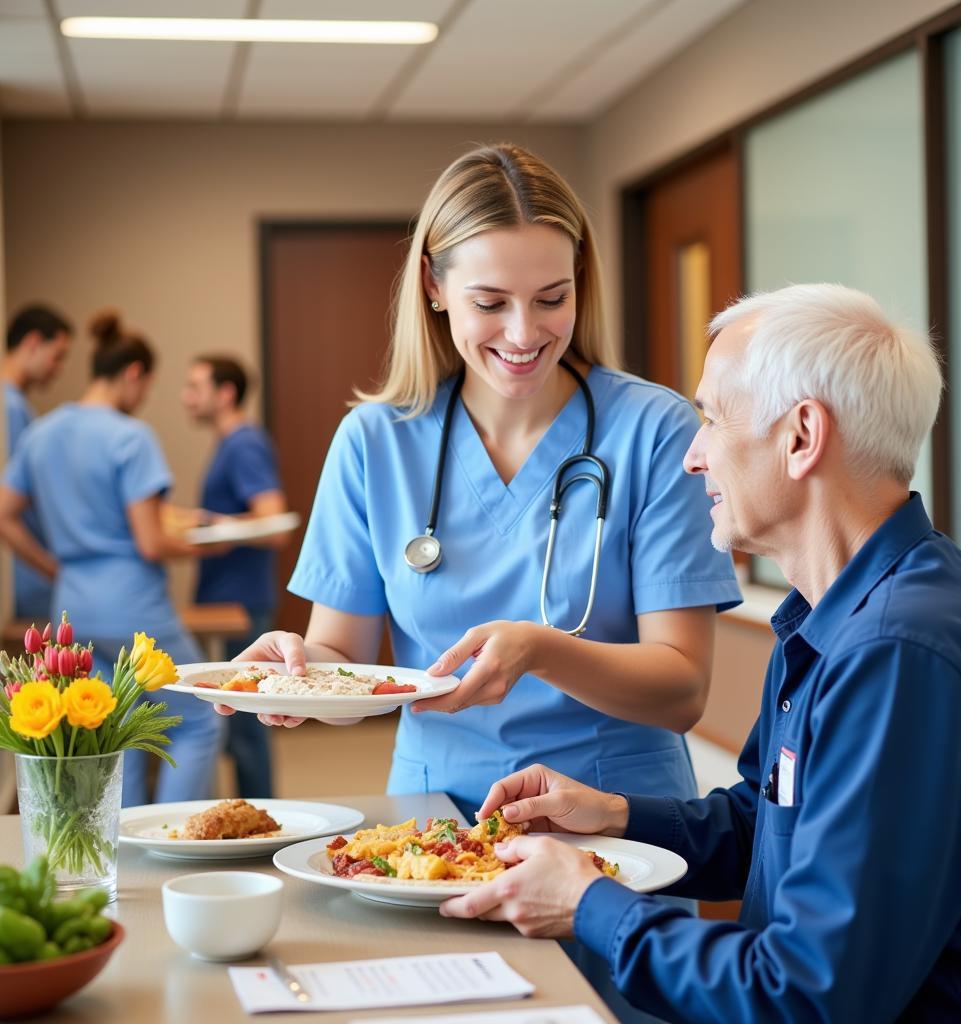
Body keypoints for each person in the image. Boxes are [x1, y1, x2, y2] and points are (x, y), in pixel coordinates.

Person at [221, 143, 740, 1023]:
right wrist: (294, 670)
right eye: (490, 302)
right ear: (432, 285)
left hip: (614, 834)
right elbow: (343, 655)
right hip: (431, 829)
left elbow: (683, 688)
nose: (524, 332)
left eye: (553, 299)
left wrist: (541, 650)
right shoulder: (375, 442)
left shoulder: (652, 430)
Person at [440, 284, 961, 1024]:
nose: (692, 455)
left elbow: (808, 997)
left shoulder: (900, 655)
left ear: (802, 436)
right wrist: (613, 816)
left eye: (712, 417)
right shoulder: (835, 615)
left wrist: (587, 904)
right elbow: (766, 829)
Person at [0, 311, 223, 806]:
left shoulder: (42, 432)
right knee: (199, 717)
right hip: (132, 605)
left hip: (73, 606)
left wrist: (55, 566)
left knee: (121, 729)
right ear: (133, 374)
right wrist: (209, 544)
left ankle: (130, 852)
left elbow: (5, 515)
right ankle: (176, 841)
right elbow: (150, 541)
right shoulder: (130, 435)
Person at [182, 355, 287, 798]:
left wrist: (209, 525)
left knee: (246, 723)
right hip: (228, 598)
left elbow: (272, 517)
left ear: (225, 393)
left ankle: (261, 819)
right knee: (239, 720)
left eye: (195, 387)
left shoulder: (243, 444)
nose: (187, 398)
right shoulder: (229, 442)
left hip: (240, 602)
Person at [3, 304, 72, 619]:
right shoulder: (10, 409)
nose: (58, 369)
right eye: (57, 356)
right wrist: (53, 570)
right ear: (31, 343)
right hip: (26, 579)